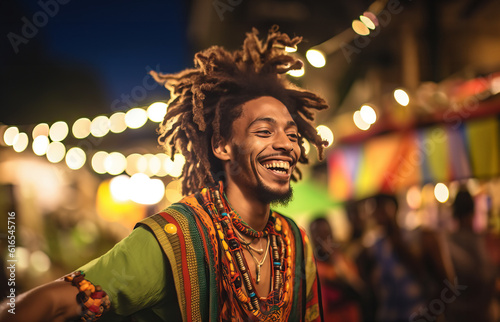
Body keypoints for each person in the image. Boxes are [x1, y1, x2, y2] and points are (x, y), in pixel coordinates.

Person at [0, 26, 329, 321]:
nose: (287, 145)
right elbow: (58, 299)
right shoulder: (177, 236)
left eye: (292, 134)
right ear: (222, 146)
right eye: (264, 131)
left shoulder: (295, 242)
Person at [444, 187, 496, 322]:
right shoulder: (481, 241)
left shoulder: (446, 241)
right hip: (482, 313)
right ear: (473, 212)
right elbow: (487, 276)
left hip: (456, 312)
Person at [309, 217, 365, 322]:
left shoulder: (344, 260)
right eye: (317, 234)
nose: (322, 239)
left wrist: (336, 259)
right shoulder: (312, 268)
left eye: (325, 233)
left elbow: (359, 289)